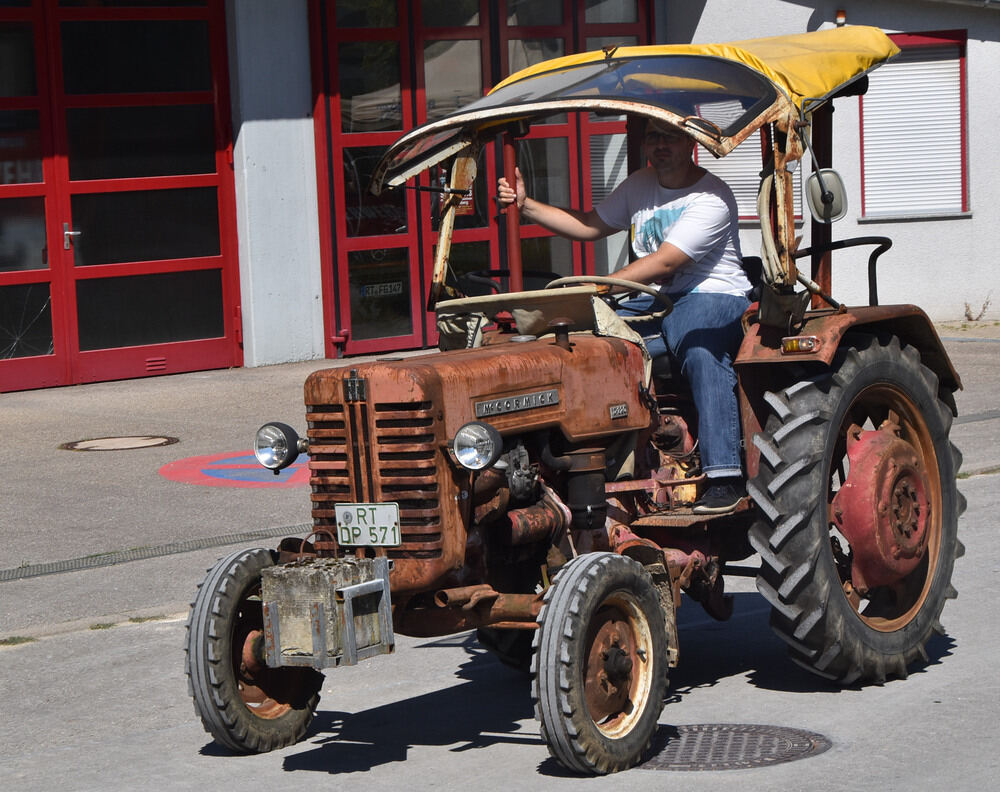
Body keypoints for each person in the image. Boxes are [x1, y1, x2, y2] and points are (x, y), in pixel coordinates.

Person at [497, 118, 751, 514]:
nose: (661, 144)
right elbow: (589, 225)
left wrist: (600, 287)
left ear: (692, 145)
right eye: (654, 136)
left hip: (709, 293)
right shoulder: (639, 185)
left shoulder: (711, 197)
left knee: (700, 351)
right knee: (586, 346)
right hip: (654, 298)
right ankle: (594, 462)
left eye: (671, 137)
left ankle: (725, 477)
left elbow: (666, 262)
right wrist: (526, 205)